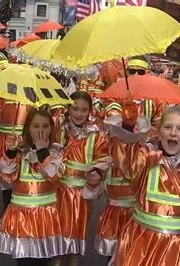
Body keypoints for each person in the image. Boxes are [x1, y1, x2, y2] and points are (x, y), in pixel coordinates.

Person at [108, 102, 180, 265]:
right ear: (158, 131)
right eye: (168, 127)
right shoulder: (147, 158)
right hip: (140, 242)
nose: (173, 133)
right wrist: (128, 127)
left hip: (176, 248)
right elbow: (127, 164)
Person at [0, 108, 65, 266]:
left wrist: (42, 151)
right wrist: (11, 151)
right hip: (21, 216)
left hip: (45, 217)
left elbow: (55, 175)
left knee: (43, 260)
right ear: (28, 128)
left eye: (45, 126)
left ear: (51, 128)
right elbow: (6, 173)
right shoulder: (20, 152)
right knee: (24, 260)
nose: (40, 131)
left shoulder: (57, 152)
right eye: (36, 126)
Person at [56, 91, 109, 265]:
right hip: (57, 192)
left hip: (81, 195)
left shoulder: (95, 134)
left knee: (76, 232)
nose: (79, 114)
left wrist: (97, 173)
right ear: (68, 108)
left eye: (84, 110)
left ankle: (73, 259)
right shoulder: (59, 128)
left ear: (90, 111)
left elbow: (103, 157)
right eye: (75, 108)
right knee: (57, 232)